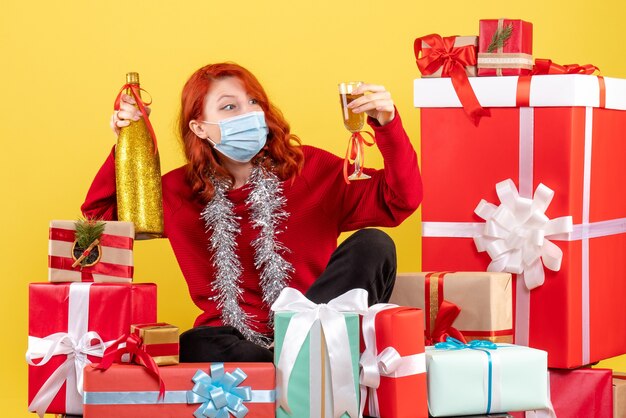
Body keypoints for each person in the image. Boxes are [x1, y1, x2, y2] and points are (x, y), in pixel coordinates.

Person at [82, 62, 422, 362]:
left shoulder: (310, 169)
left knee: (375, 244)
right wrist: (125, 144)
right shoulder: (176, 191)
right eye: (229, 107)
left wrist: (387, 124)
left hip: (317, 331)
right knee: (196, 345)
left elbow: (399, 199)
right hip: (233, 342)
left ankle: (296, 349)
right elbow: (96, 224)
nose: (247, 114)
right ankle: (277, 365)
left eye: (253, 102)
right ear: (199, 127)